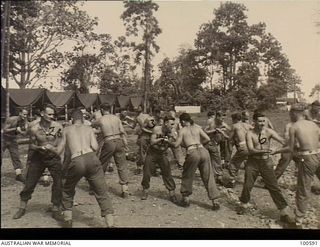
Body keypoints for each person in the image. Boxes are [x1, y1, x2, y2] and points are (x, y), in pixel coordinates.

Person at [54, 109, 114, 228]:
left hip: (77, 159)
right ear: (82, 119)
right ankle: (110, 224)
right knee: (102, 192)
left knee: (67, 190)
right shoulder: (88, 129)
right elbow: (95, 147)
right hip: (91, 158)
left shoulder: (66, 130)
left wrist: (50, 147)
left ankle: (68, 220)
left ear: (71, 119)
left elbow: (59, 151)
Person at [237, 111, 292, 225]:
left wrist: (290, 142)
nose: (262, 123)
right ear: (254, 122)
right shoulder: (249, 133)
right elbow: (251, 150)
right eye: (260, 121)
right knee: (248, 184)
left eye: (264, 121)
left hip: (266, 162)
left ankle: (283, 212)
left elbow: (283, 142)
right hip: (253, 162)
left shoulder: (269, 131)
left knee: (274, 187)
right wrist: (266, 150)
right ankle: (243, 204)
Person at [13, 104, 63, 220]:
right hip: (38, 157)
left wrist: (56, 151)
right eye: (49, 114)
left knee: (58, 183)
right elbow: (32, 145)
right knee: (30, 183)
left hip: (53, 157)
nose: (52, 116)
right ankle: (22, 208)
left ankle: (55, 209)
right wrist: (39, 148)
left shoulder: (58, 126)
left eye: (53, 114)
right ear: (42, 114)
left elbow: (61, 142)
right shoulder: (34, 128)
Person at [172, 113, 220, 210]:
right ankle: (215, 201)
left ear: (183, 121)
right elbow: (207, 138)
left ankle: (185, 199)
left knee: (187, 175)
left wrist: (170, 141)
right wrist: (198, 144)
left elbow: (176, 145)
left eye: (181, 121)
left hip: (192, 152)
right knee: (208, 176)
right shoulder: (197, 128)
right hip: (203, 150)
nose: (180, 123)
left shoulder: (182, 130)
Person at [287, 103, 320, 228]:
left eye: (290, 113)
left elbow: (290, 149)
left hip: (307, 158)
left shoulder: (294, 127)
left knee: (303, 188)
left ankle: (298, 220)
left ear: (295, 113)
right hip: (319, 154)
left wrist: (277, 151)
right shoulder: (314, 124)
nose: (290, 115)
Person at [92, 103, 130, 198]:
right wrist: (125, 144)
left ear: (101, 110)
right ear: (110, 109)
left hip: (108, 141)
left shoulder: (101, 119)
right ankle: (124, 190)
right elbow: (122, 131)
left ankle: (97, 188)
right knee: (121, 165)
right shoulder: (116, 118)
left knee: (102, 165)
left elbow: (91, 125)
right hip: (119, 141)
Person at [140, 116, 178, 202]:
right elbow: (152, 142)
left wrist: (170, 140)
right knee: (146, 172)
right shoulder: (157, 129)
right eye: (171, 124)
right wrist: (161, 139)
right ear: (166, 123)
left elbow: (176, 144)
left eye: (173, 124)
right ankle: (145, 190)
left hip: (162, 154)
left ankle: (172, 193)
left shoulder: (172, 132)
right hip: (152, 153)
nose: (172, 126)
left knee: (167, 173)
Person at [225, 112, 253, 188]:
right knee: (249, 163)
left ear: (234, 119)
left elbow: (229, 138)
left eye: (232, 119)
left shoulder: (235, 126)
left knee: (233, 164)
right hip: (250, 146)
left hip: (243, 147)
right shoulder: (247, 125)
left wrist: (222, 132)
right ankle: (250, 180)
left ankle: (232, 181)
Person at [1, 108, 29, 183]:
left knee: (16, 156)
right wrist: (15, 129)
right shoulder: (12, 119)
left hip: (13, 140)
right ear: (20, 113)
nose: (25, 116)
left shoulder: (24, 121)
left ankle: (18, 175)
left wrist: (25, 131)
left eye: (26, 114)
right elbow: (4, 130)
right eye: (24, 114)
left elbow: (24, 133)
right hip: (3, 139)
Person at [204, 111, 230, 185]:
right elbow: (205, 131)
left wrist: (224, 130)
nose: (222, 120)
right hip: (209, 143)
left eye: (223, 118)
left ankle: (215, 176)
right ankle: (218, 177)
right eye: (221, 118)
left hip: (214, 144)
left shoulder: (222, 123)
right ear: (217, 116)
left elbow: (230, 129)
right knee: (215, 160)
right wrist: (215, 130)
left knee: (214, 160)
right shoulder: (211, 122)